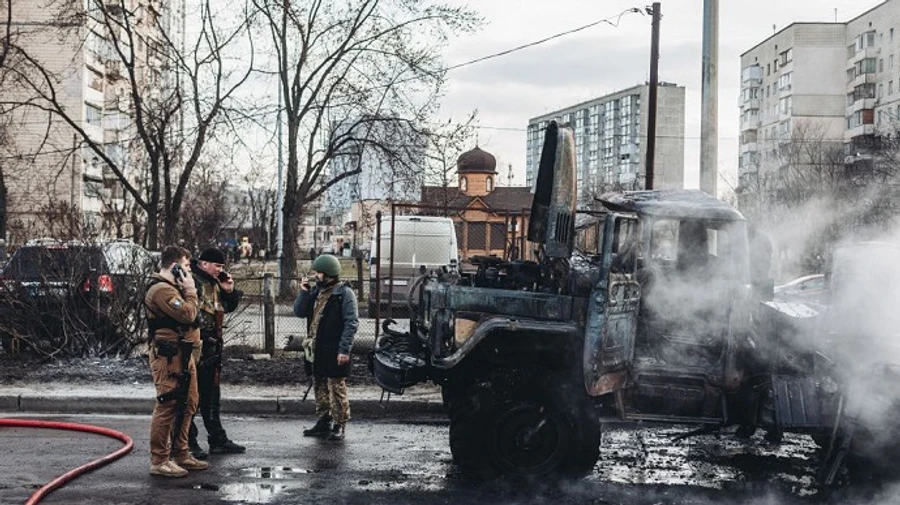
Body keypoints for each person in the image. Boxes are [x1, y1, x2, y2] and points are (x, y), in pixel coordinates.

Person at [145, 246, 208, 477]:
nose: (189, 272)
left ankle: (181, 452)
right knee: (168, 403)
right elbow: (188, 314)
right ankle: (159, 459)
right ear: (175, 267)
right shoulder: (161, 290)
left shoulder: (174, 288)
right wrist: (190, 290)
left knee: (190, 402)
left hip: (183, 353)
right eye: (186, 266)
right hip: (168, 356)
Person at [187, 247, 246, 458]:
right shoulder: (192, 282)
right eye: (217, 265)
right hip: (194, 345)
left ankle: (217, 439)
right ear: (204, 264)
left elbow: (226, 307)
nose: (220, 269)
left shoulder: (214, 283)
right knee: (190, 397)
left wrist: (229, 291)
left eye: (222, 266)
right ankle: (188, 441)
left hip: (211, 346)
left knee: (211, 396)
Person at [293, 254, 359, 441]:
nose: (315, 275)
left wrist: (344, 349)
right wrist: (304, 292)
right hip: (316, 348)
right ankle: (324, 420)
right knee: (319, 384)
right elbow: (299, 311)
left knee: (336, 387)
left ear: (329, 274)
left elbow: (351, 323)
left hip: (334, 348)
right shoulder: (316, 292)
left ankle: (339, 423)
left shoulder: (344, 294)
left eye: (319, 272)